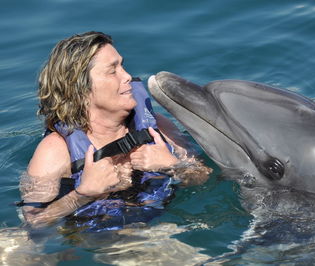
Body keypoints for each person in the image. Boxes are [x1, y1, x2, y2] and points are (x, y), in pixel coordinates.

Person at [19, 31, 211, 231]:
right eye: (112, 71)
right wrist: (84, 194)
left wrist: (173, 165)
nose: (127, 76)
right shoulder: (55, 150)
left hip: (160, 227)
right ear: (81, 90)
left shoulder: (159, 128)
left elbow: (202, 177)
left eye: (122, 65)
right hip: (94, 237)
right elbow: (34, 221)